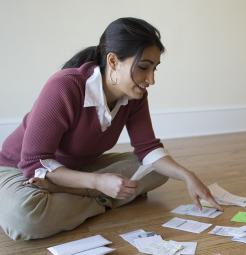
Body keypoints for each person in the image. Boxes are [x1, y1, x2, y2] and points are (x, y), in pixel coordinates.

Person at [0, 17, 222, 240]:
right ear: (114, 61)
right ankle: (100, 198)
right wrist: (98, 182)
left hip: (77, 167)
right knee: (25, 217)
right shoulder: (65, 86)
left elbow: (148, 148)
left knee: (154, 170)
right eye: (144, 67)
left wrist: (187, 176)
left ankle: (72, 192)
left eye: (155, 69)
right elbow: (34, 163)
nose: (151, 80)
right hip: (18, 170)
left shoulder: (135, 95)